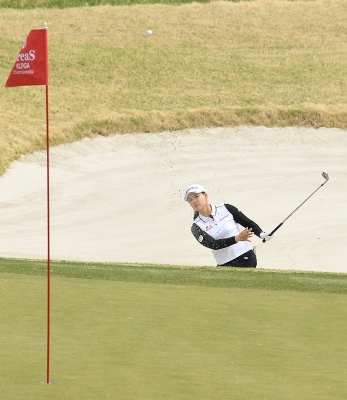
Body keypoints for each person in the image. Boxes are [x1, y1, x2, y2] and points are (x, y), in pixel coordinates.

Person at [184, 184, 273, 268]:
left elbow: (248, 223)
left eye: (196, 196)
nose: (194, 201)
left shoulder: (226, 208)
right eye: (190, 199)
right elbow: (213, 244)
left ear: (206, 196)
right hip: (223, 264)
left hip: (245, 257)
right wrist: (237, 238)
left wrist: (261, 234)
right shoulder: (196, 226)